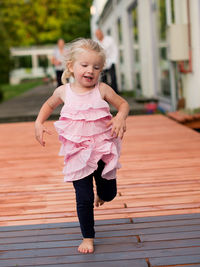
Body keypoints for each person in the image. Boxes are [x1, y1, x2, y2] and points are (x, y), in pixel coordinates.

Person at [35, 38, 129, 254]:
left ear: (101, 70)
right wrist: (39, 123)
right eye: (84, 65)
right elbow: (48, 105)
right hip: (78, 154)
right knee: (83, 197)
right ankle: (88, 236)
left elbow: (123, 104)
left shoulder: (102, 89)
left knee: (110, 193)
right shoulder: (63, 92)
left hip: (102, 151)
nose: (90, 71)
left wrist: (121, 116)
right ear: (71, 66)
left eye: (96, 67)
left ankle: (103, 195)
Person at [95, 28, 119, 93]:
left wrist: (113, 60)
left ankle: (115, 92)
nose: (98, 35)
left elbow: (114, 50)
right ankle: (105, 93)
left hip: (111, 61)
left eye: (99, 34)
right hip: (102, 63)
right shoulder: (96, 43)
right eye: (96, 34)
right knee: (103, 78)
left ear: (102, 33)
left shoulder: (109, 40)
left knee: (113, 77)